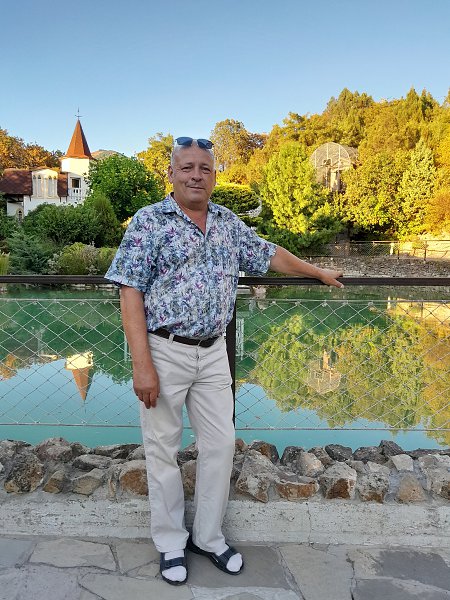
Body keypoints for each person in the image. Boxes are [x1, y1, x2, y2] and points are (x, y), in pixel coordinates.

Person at [105, 136, 344, 586]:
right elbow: (129, 290)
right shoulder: (149, 221)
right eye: (187, 168)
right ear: (171, 174)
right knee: (162, 449)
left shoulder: (227, 222)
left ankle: (208, 536)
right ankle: (170, 542)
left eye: (205, 169)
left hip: (214, 352)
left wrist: (317, 272)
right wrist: (142, 365)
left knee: (220, 444)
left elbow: (270, 254)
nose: (196, 175)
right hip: (163, 350)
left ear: (214, 176)